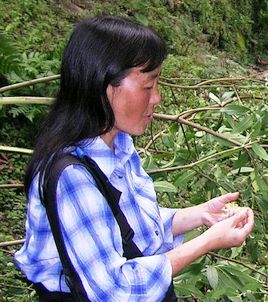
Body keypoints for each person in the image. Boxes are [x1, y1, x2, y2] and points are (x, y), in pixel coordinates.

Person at [14, 15, 255, 301]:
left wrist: (199, 215)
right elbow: (116, 289)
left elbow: (130, 230)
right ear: (104, 86)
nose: (157, 99)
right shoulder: (72, 176)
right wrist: (207, 242)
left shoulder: (119, 146)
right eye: (148, 86)